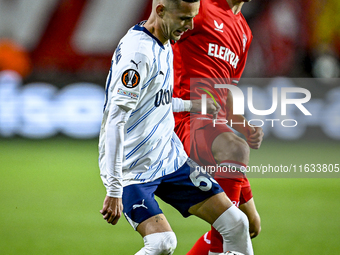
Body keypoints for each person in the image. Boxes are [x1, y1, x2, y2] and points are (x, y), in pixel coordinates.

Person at [98, 0, 254, 254]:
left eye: (192, 18)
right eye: (184, 19)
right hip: (133, 170)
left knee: (237, 223)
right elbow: (115, 120)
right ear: (160, 11)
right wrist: (114, 188)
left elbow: (156, 99)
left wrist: (190, 105)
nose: (190, 26)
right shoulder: (138, 55)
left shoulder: (166, 41)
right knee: (162, 243)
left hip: (169, 160)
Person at [172, 0, 263, 254]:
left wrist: (243, 126)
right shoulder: (199, 8)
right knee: (233, 224)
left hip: (217, 131)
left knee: (250, 224)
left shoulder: (244, 31)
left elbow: (227, 88)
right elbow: (160, 39)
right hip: (185, 120)